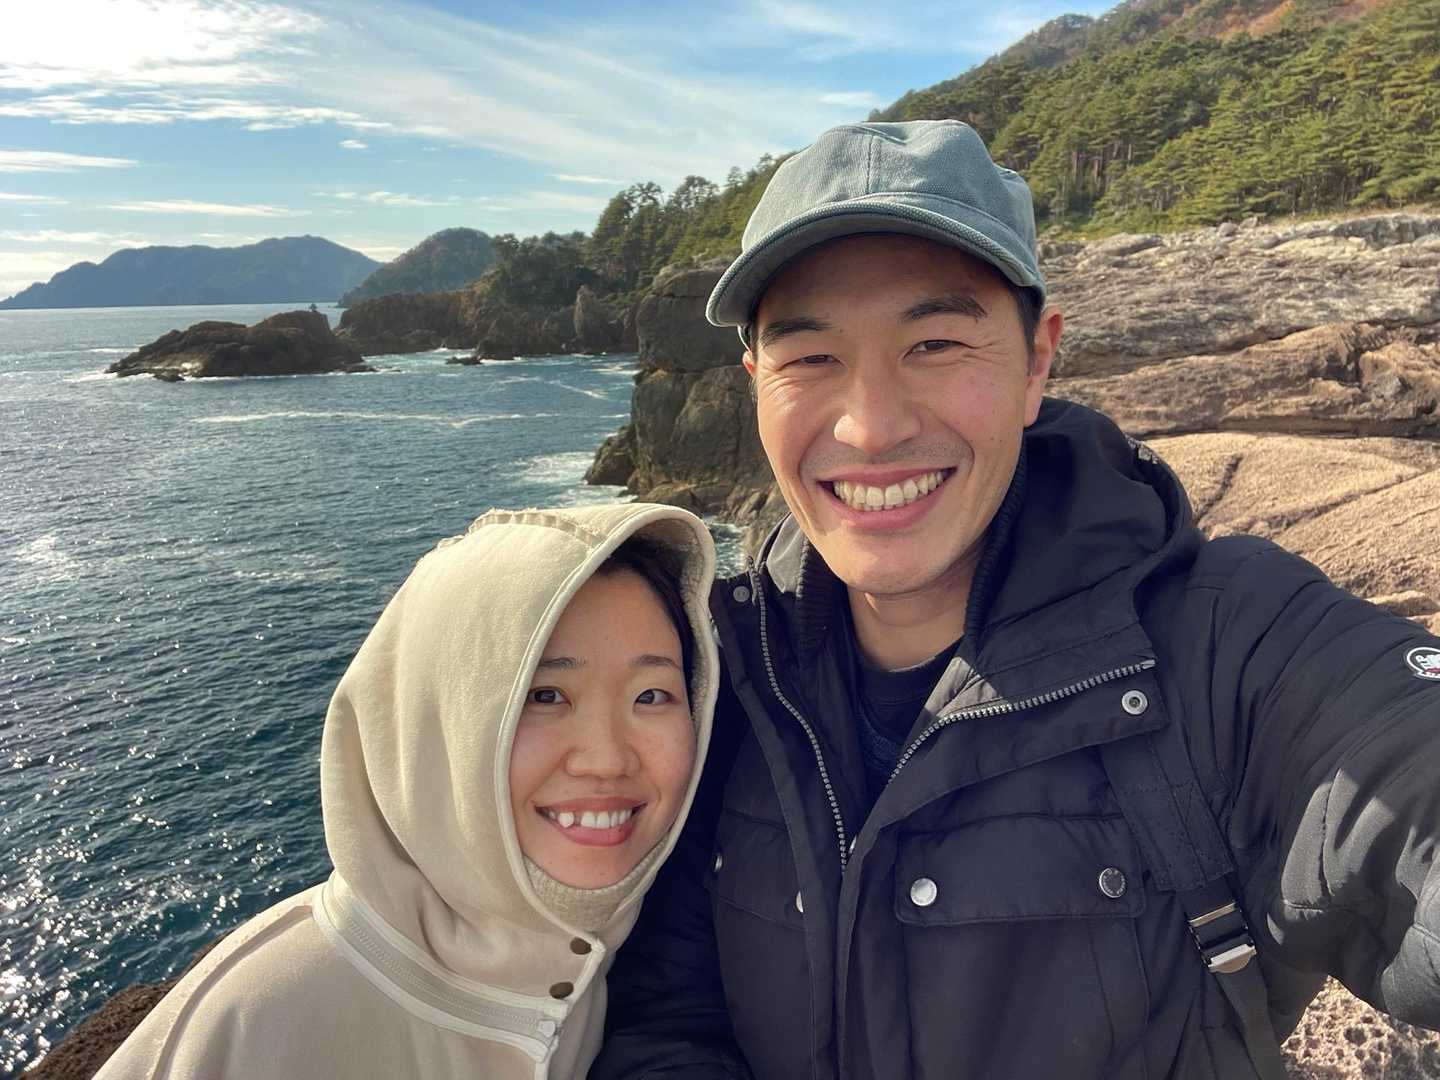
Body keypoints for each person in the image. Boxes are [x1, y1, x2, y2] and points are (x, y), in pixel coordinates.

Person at [591, 120, 1440, 1080]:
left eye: (935, 343)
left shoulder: (1231, 643)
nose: (870, 427)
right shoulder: (719, 672)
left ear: (1038, 362)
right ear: (756, 383)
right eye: (811, 358)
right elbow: (666, 1008)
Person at [94, 502, 719, 1080]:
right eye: (545, 696)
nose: (606, 758)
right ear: (434, 720)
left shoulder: (646, 969)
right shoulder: (258, 1022)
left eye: (651, 696)